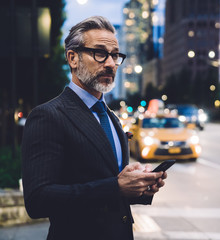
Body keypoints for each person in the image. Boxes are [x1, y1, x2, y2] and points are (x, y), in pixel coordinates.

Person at [21, 16, 167, 240]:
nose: (110, 63)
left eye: (115, 55)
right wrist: (116, 187)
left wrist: (139, 187)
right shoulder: (48, 115)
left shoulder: (112, 118)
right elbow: (38, 200)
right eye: (100, 53)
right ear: (73, 58)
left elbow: (110, 185)